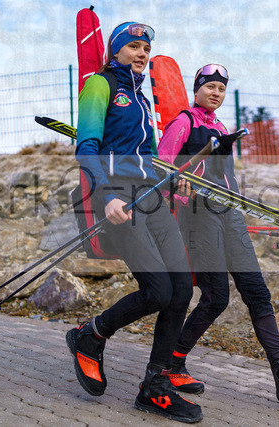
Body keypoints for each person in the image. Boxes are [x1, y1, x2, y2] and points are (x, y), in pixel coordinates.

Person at [157, 64, 279, 404]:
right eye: (210, 86)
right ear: (196, 89)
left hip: (230, 214)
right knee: (216, 298)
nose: (216, 93)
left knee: (257, 292)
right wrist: (178, 191)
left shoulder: (221, 127)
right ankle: (171, 364)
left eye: (221, 89)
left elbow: (223, 175)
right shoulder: (184, 123)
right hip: (199, 218)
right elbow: (160, 168)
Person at [65, 22, 202, 424]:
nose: (142, 53)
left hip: (152, 198)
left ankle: (154, 386)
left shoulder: (141, 98)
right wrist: (106, 195)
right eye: (134, 46)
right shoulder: (100, 85)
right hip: (117, 198)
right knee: (157, 291)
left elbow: (149, 158)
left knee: (181, 290)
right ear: (116, 51)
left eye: (146, 48)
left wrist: (173, 179)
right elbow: (87, 147)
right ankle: (91, 334)